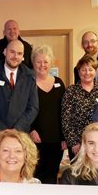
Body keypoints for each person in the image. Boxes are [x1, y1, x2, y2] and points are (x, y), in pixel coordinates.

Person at [0, 39, 39, 136]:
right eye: (12, 52)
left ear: (23, 56)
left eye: (19, 53)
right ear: (5, 52)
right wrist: (0, 129)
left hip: (21, 134)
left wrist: (17, 129)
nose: (15, 56)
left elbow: (33, 107)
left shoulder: (30, 76)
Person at [29, 44, 66, 184]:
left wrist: (64, 137)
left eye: (45, 61)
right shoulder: (28, 83)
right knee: (36, 176)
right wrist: (30, 130)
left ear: (51, 63)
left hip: (56, 140)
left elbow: (64, 112)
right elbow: (23, 110)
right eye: (38, 61)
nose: (42, 65)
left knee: (52, 174)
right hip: (35, 139)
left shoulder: (59, 83)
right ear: (33, 63)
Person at [61, 54, 98, 159]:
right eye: (83, 70)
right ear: (78, 72)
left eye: (90, 69)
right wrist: (73, 143)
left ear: (95, 71)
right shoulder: (71, 91)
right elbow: (66, 119)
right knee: (79, 174)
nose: (87, 73)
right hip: (78, 143)